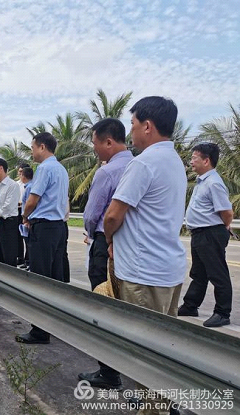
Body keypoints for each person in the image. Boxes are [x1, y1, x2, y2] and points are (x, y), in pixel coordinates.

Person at [104, 96, 186, 415]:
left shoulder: (143, 163)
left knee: (145, 356)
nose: (133, 132)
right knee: (164, 349)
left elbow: (113, 215)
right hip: (168, 270)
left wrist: (110, 240)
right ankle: (167, 404)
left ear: (148, 126)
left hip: (142, 273)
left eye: (134, 125)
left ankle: (156, 410)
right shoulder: (174, 161)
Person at [77, 118, 133, 391]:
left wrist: (93, 232)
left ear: (109, 142)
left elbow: (92, 214)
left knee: (103, 303)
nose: (95, 150)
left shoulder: (107, 172)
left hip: (104, 240)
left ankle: (108, 372)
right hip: (131, 244)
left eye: (96, 144)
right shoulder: (138, 165)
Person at [16, 132, 69, 343]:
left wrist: (25, 216)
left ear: (42, 147)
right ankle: (54, 325)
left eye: (33, 147)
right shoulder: (61, 169)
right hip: (58, 227)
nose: (32, 152)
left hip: (44, 228)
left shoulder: (45, 168)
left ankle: (40, 331)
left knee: (39, 279)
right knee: (55, 278)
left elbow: (32, 200)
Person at [178, 143, 234, 327]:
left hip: (210, 232)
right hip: (200, 233)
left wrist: (221, 228)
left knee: (217, 274)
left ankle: (222, 313)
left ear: (206, 160)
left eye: (195, 158)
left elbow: (227, 212)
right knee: (199, 273)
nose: (191, 161)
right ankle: (190, 306)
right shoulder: (202, 181)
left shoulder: (214, 182)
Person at [0, 158, 21, 266]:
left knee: (8, 254)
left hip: (8, 222)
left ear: (1, 168)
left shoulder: (12, 185)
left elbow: (8, 206)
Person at [18, 166, 34, 270]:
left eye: (21, 174)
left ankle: (30, 263)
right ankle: (28, 262)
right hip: (27, 216)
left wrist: (25, 218)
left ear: (24, 176)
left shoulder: (29, 187)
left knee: (29, 243)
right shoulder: (28, 186)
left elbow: (29, 203)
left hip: (28, 218)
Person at [16, 163, 30, 265]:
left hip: (26, 211)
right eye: (19, 172)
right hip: (17, 210)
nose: (21, 174)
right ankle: (20, 257)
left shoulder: (30, 184)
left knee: (27, 236)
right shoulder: (16, 184)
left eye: (22, 172)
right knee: (18, 237)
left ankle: (27, 258)